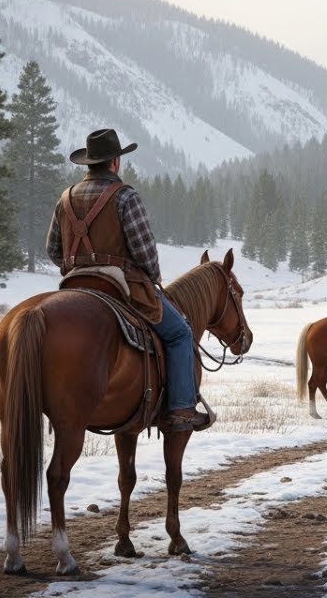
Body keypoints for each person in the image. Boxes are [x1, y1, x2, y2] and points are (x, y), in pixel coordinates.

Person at [46, 128, 209, 432]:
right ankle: (182, 408)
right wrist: (150, 277)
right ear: (115, 162)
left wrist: (79, 267)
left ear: (89, 163)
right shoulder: (125, 196)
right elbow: (145, 252)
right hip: (121, 287)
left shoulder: (65, 198)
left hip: (74, 285)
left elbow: (53, 250)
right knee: (180, 334)